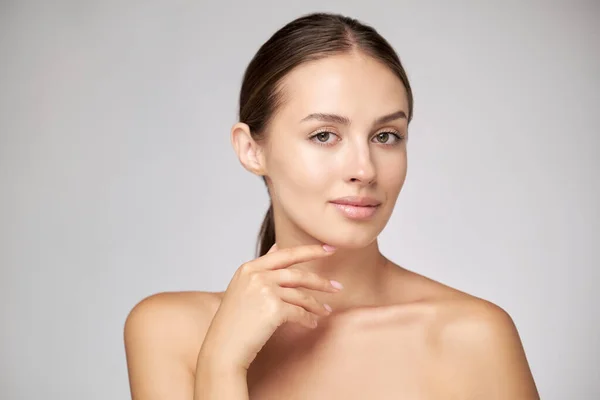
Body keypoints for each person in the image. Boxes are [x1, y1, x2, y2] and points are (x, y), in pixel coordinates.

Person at [123, 11, 540, 400]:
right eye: (324, 135)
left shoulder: (472, 335)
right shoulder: (170, 330)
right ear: (251, 150)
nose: (364, 169)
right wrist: (221, 364)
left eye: (386, 136)